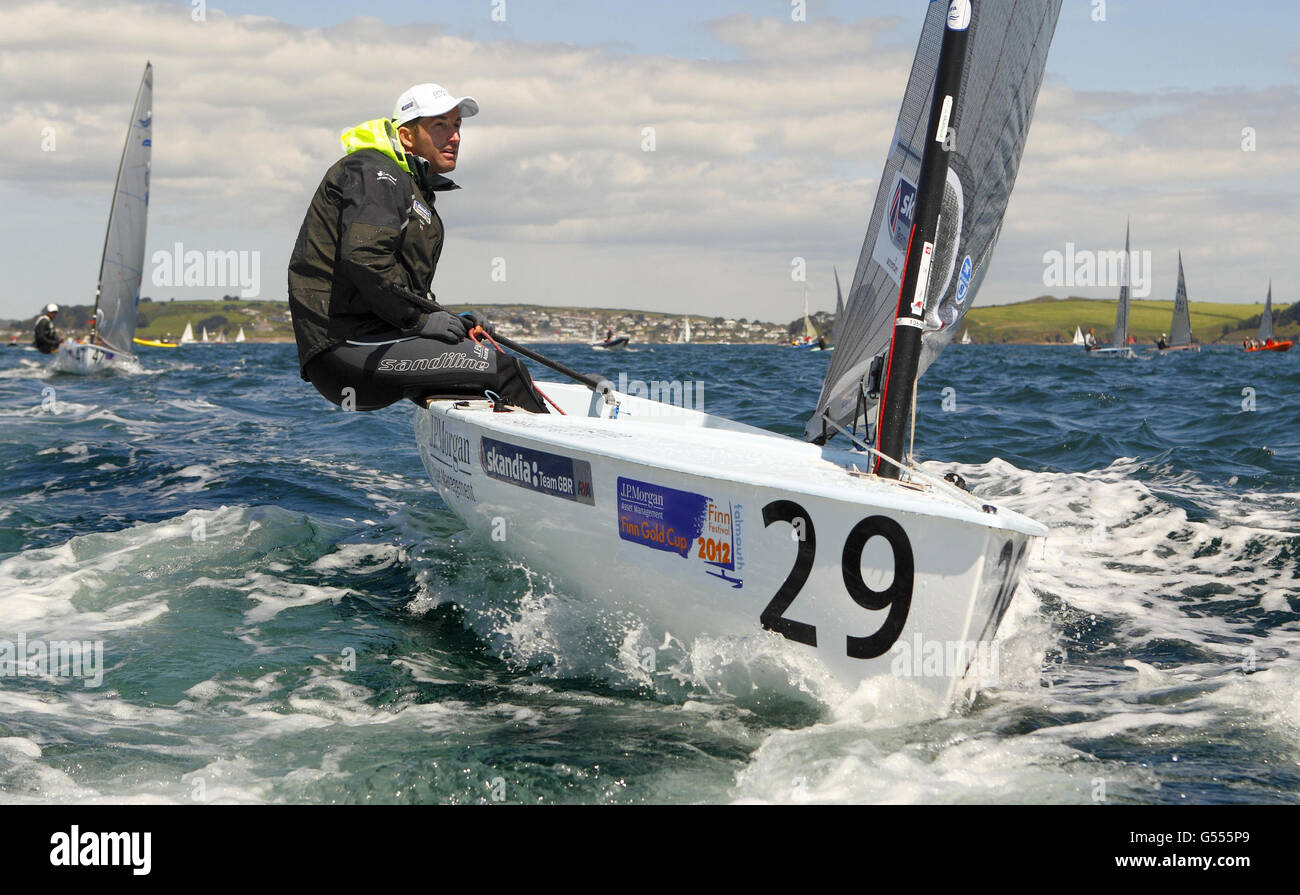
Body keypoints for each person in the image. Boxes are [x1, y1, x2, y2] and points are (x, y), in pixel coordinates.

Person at [288, 83, 546, 412]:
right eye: (440, 126)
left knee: (473, 362)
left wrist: (444, 318)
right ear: (408, 137)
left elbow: (396, 280)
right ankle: (566, 461)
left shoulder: (409, 182)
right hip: (345, 351)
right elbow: (365, 259)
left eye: (457, 126)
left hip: (366, 343)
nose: (454, 137)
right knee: (504, 370)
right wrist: (419, 321)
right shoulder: (377, 172)